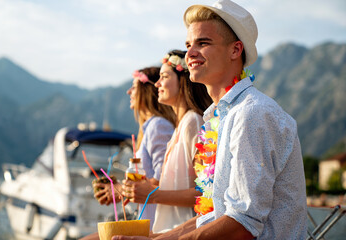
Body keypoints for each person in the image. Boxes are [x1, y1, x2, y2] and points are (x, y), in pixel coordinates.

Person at [112, 0, 307, 239]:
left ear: (235, 50)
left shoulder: (251, 114)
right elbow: (215, 215)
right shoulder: (219, 117)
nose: (190, 53)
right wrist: (157, 238)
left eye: (203, 43)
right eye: (188, 44)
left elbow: (243, 223)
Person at [121, 50, 212, 235]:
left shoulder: (193, 122)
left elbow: (205, 194)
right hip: (168, 230)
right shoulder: (180, 126)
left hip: (183, 231)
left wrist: (152, 194)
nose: (157, 84)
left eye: (164, 77)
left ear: (183, 81)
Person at [83, 67, 175, 240]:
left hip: (155, 225)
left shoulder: (158, 126)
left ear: (148, 90)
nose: (129, 91)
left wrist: (120, 190)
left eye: (134, 86)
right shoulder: (150, 127)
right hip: (148, 220)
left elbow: (163, 180)